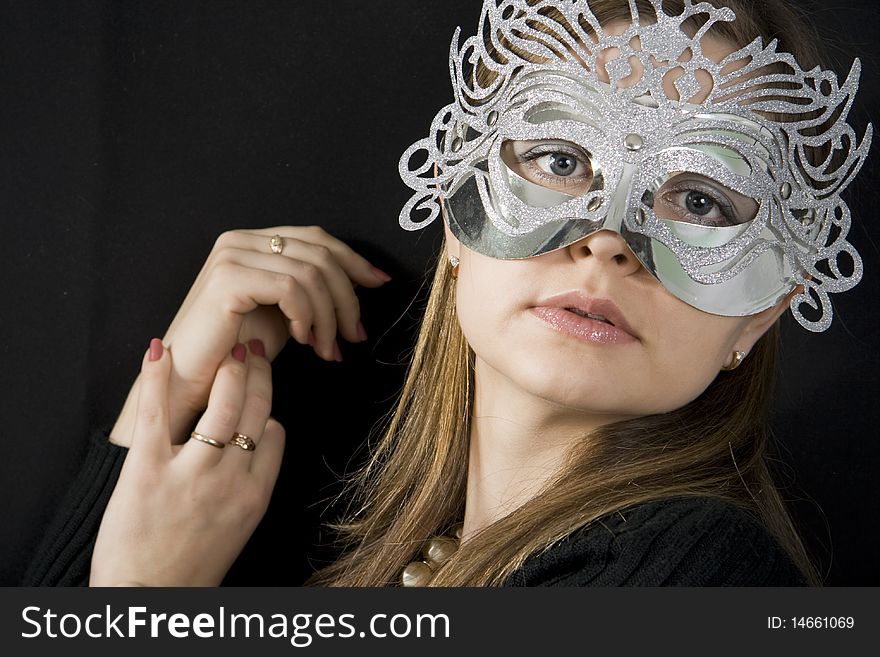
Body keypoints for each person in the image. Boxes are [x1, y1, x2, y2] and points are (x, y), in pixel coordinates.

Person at [23, 0, 870, 587]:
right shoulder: (401, 532)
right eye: (561, 159)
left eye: (699, 201)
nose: (608, 238)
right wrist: (164, 403)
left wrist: (141, 599)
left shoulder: (699, 572)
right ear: (459, 217)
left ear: (759, 313)